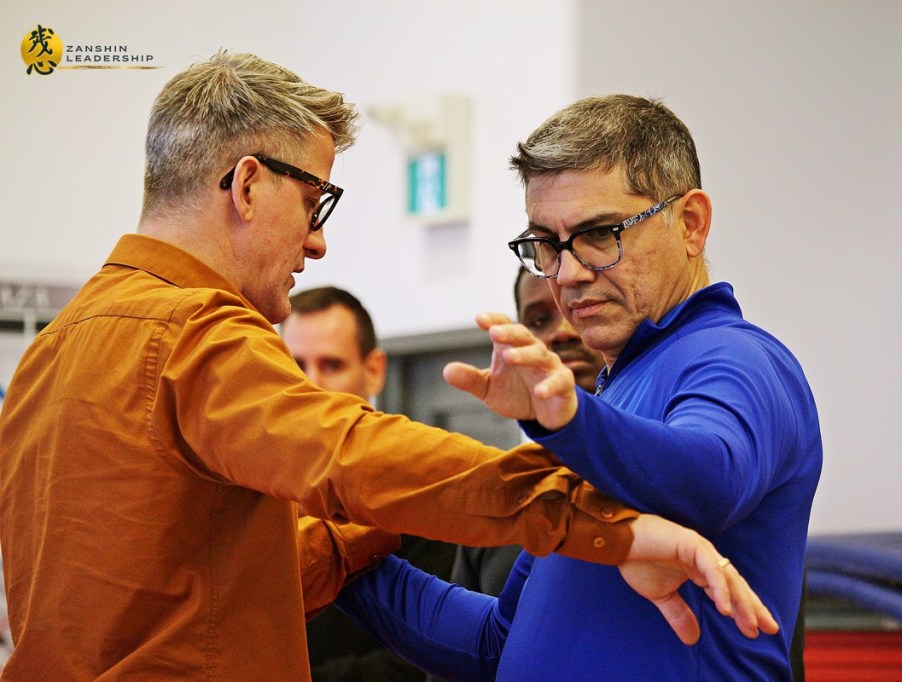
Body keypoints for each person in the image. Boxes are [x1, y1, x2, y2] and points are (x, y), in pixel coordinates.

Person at [0, 53, 776, 679]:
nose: (317, 242)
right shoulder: (192, 332)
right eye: (316, 203)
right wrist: (599, 516)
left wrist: (369, 534)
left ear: (693, 224)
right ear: (248, 184)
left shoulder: (51, 353)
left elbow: (200, 582)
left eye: (597, 235)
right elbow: (355, 456)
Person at [337, 94, 820, 680]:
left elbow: (710, 479)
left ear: (690, 223)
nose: (567, 273)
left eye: (599, 234)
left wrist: (569, 422)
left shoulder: (736, 357)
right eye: (547, 244)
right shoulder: (613, 399)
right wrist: (331, 553)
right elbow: (496, 643)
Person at [281, 286, 455, 681]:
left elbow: (435, 657)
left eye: (331, 365)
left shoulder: (418, 486)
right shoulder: (262, 490)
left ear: (374, 370)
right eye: (295, 365)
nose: (311, 385)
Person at [448, 267, 603, 596]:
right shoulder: (495, 501)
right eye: (539, 320)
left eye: (581, 310)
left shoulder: (655, 476)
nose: (562, 333)